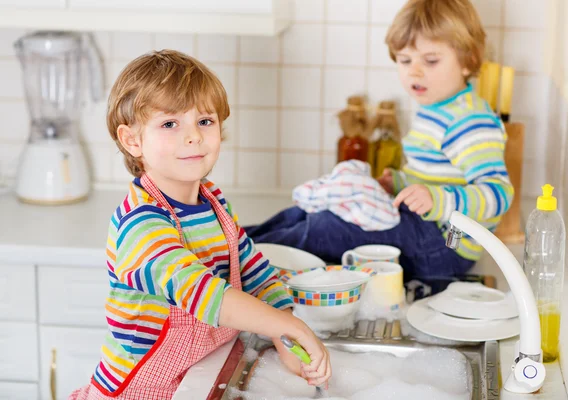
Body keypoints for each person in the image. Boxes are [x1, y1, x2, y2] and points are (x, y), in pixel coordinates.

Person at [69, 50, 330, 400]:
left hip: (196, 374)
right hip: (139, 390)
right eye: (169, 124)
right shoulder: (141, 224)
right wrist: (288, 325)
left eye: (204, 121)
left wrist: (283, 338)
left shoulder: (213, 203)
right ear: (133, 141)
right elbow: (202, 293)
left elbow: (254, 272)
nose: (192, 136)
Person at [246, 0, 514, 281]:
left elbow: (499, 193)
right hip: (425, 229)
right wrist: (399, 183)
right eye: (405, 60)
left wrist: (437, 199)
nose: (414, 71)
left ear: (468, 60)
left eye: (431, 60)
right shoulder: (438, 106)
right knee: (310, 210)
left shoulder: (468, 121)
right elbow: (436, 174)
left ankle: (245, 260)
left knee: (327, 227)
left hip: (446, 247)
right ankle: (235, 243)